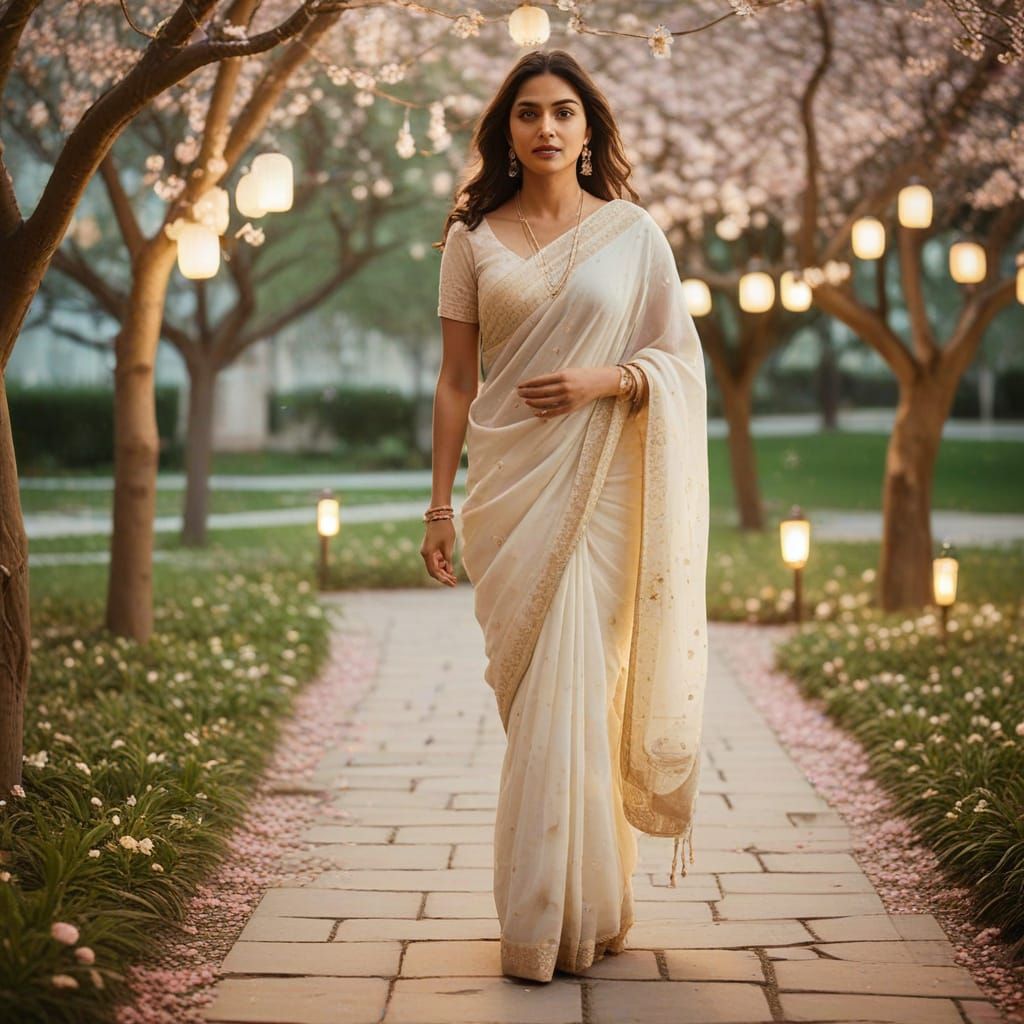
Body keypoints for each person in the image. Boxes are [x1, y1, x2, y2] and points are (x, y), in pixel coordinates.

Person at [420, 48, 710, 984]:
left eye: (563, 112)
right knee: (541, 702)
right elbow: (455, 382)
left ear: (588, 131)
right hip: (510, 492)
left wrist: (609, 379)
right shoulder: (470, 237)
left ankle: (571, 915)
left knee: (586, 695)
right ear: (505, 131)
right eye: (528, 112)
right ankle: (561, 912)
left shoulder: (634, 233)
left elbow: (679, 362)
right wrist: (437, 505)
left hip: (605, 493)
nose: (545, 127)